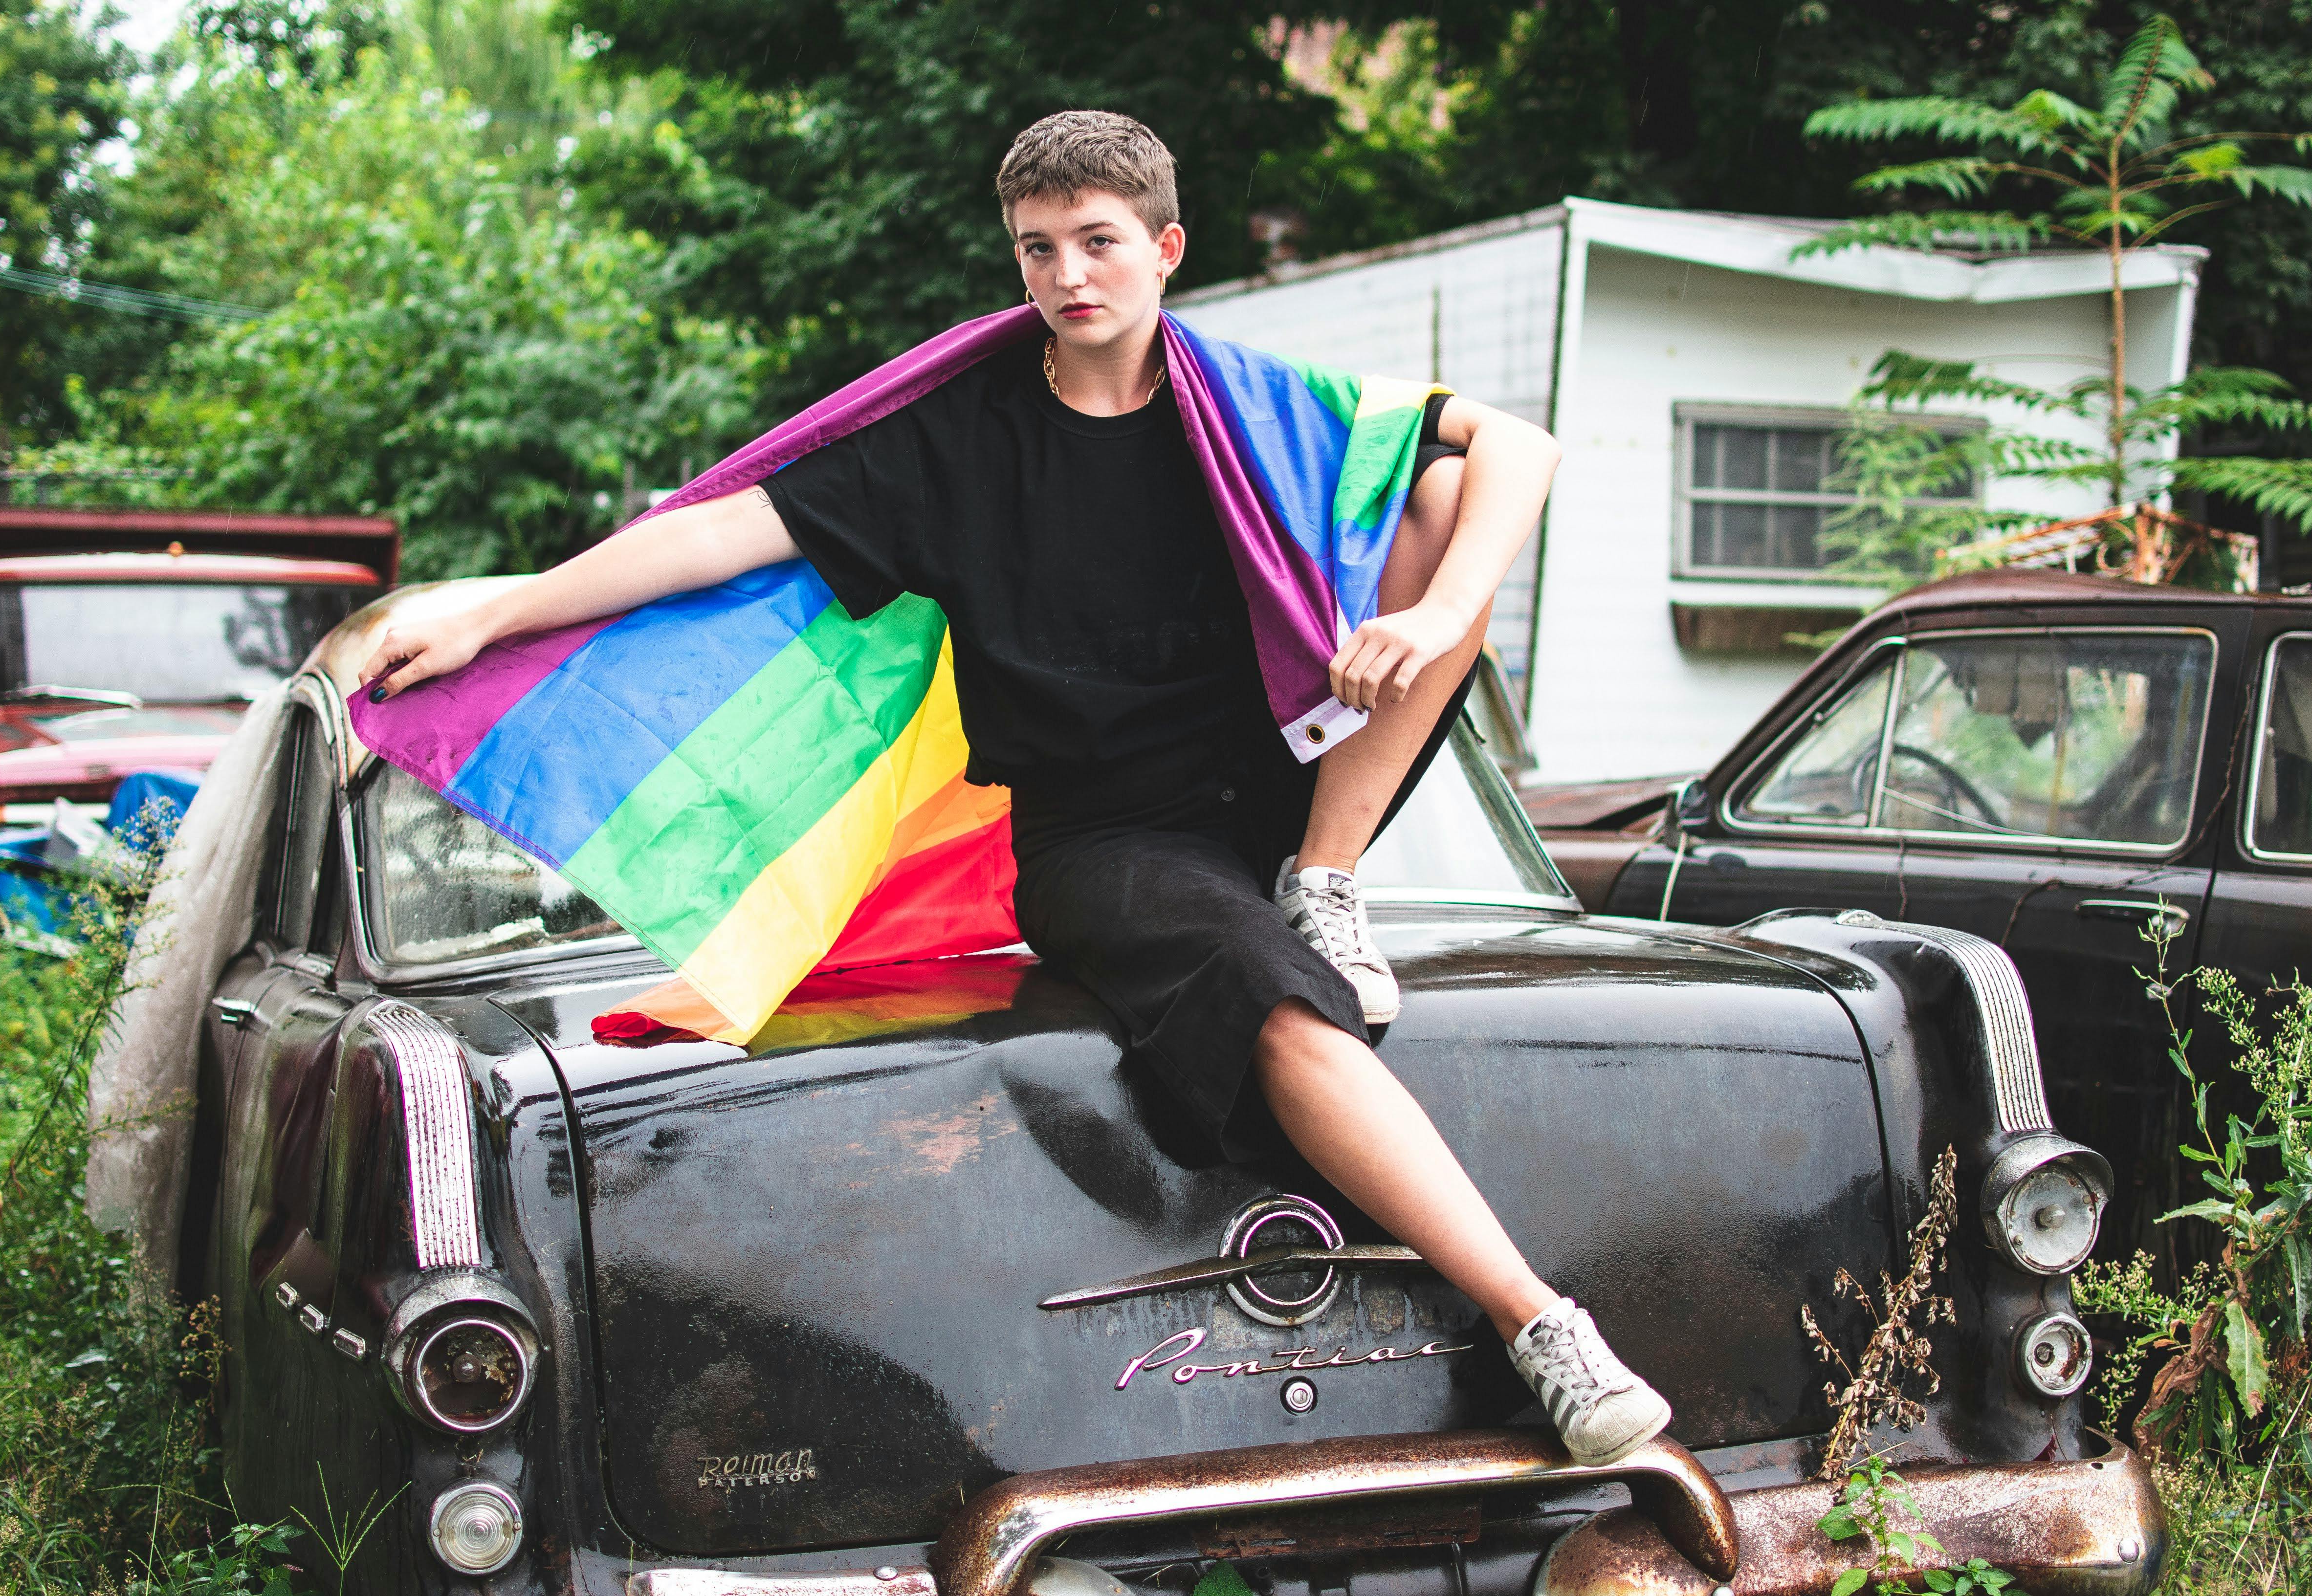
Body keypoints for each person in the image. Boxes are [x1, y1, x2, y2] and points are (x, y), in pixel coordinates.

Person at [359, 110, 1670, 1466]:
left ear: (1164, 250)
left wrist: (1441, 607)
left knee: (1445, 488)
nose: (1067, 275)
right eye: (1037, 249)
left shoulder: (1244, 404)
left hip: (1282, 785)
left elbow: (1519, 444)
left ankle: (1325, 880)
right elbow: (712, 535)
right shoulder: (956, 439)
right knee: (1271, 996)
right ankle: (1540, 1324)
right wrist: (498, 612)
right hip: (1104, 838)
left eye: (1099, 243)